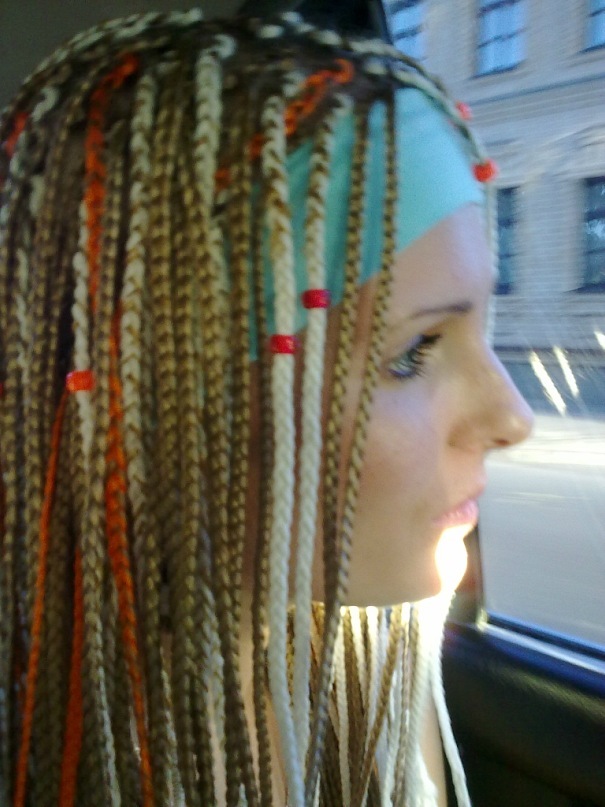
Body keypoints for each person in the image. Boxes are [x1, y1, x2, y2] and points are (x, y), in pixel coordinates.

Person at [0, 9, 533, 807]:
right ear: (168, 411)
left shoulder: (380, 673)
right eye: (413, 352)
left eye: (484, 331)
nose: (512, 418)